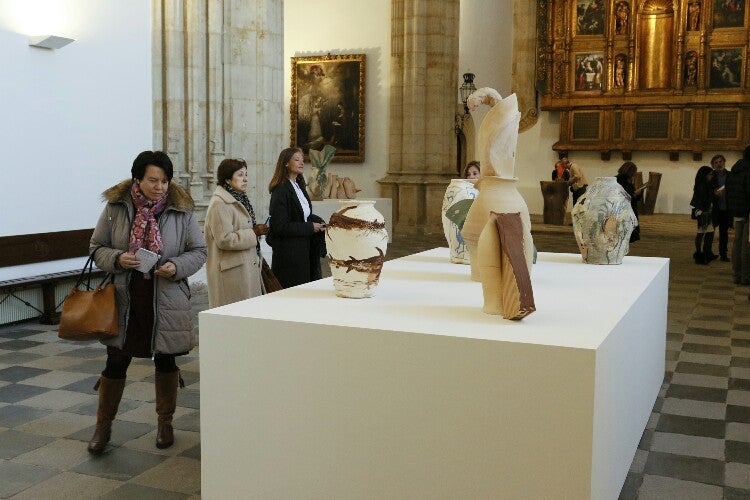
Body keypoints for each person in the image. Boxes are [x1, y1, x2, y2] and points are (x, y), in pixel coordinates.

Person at [88, 151, 207, 454]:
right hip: (126, 298)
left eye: (165, 181)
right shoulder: (116, 207)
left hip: (166, 298)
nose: (160, 186)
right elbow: (96, 247)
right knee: (115, 362)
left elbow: (199, 250)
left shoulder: (182, 210)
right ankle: (103, 427)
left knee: (166, 361)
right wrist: (117, 257)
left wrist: (176, 267)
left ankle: (165, 423)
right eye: (153, 180)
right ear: (137, 179)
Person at [204, 158, 266, 308]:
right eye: (240, 175)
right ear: (227, 179)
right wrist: (253, 232)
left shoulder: (239, 198)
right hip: (231, 273)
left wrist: (254, 230)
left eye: (246, 174)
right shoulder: (219, 203)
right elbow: (224, 239)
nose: (245, 179)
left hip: (243, 268)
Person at [267, 147, 326, 288]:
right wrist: (310, 227)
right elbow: (280, 226)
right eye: (296, 159)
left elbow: (303, 215)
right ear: (286, 163)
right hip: (289, 254)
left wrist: (318, 221)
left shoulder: (298, 186)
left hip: (303, 249)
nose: (301, 163)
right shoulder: (280, 190)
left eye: (302, 160)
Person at [726, 146, 750, 284]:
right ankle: (746, 277)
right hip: (748, 211)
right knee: (746, 244)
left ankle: (737, 275)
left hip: (737, 210)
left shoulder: (735, 170)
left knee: (738, 242)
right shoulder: (749, 170)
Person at [690, 166, 715, 265]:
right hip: (703, 212)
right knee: (701, 232)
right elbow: (704, 200)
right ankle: (699, 255)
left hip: (705, 211)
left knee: (708, 232)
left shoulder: (704, 184)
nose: (711, 176)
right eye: (710, 174)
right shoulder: (702, 186)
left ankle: (704, 253)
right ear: (705, 175)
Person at [616, 161, 645, 242]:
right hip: (624, 211)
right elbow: (623, 196)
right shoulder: (620, 181)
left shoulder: (625, 180)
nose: (635, 174)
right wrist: (635, 194)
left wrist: (636, 194)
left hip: (628, 209)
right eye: (634, 172)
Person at [710, 154, 731, 261]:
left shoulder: (730, 175)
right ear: (713, 165)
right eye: (716, 162)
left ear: (724, 162)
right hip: (714, 208)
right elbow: (706, 191)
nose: (718, 164)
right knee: (710, 231)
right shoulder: (710, 176)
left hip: (726, 208)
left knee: (724, 232)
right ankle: (708, 253)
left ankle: (723, 254)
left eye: (720, 161)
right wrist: (714, 193)